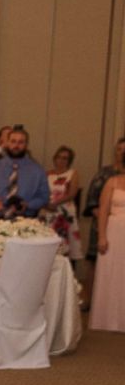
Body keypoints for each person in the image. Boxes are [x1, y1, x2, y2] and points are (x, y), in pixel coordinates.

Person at [81, 137, 125, 310]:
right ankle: (92, 301)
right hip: (103, 225)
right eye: (120, 149)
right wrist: (104, 216)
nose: (122, 152)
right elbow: (92, 198)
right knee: (95, 263)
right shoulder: (105, 174)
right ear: (116, 152)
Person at [0, 126, 50, 219]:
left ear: (26, 144)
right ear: (7, 143)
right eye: (13, 141)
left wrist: (28, 205)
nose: (16, 146)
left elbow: (44, 197)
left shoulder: (37, 170)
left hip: (26, 219)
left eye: (21, 142)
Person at [90, 158, 125, 332]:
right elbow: (102, 210)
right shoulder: (112, 182)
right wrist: (101, 237)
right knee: (112, 273)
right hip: (115, 232)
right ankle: (108, 320)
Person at [45, 145, 83, 261]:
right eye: (59, 157)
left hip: (65, 210)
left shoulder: (72, 173)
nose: (61, 160)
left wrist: (57, 202)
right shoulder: (47, 174)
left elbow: (72, 193)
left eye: (65, 158)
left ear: (69, 160)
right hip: (49, 210)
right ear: (55, 158)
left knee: (66, 243)